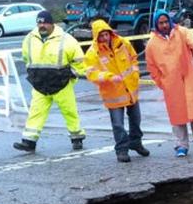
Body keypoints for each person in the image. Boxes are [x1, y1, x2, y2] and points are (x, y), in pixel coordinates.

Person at [15, 11, 87, 153]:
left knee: (69, 111)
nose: (42, 25)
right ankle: (29, 141)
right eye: (39, 23)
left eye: (45, 23)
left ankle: (77, 138)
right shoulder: (29, 39)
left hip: (61, 83)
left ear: (52, 23)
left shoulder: (66, 39)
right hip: (40, 83)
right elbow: (26, 58)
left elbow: (80, 61)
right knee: (36, 112)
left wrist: (71, 74)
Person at [145, 11, 193, 157]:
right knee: (177, 116)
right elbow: (152, 68)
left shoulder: (182, 32)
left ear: (170, 21)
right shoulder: (151, 44)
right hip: (171, 84)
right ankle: (181, 145)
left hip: (188, 79)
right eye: (161, 23)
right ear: (156, 25)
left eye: (166, 22)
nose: (164, 25)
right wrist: (162, 83)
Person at [85, 19, 148, 163]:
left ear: (110, 33)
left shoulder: (123, 43)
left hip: (130, 89)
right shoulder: (93, 53)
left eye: (106, 34)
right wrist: (109, 77)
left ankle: (136, 142)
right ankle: (122, 150)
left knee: (136, 119)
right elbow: (91, 74)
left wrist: (135, 75)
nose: (104, 38)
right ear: (96, 37)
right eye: (101, 36)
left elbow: (133, 59)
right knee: (118, 124)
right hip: (113, 93)